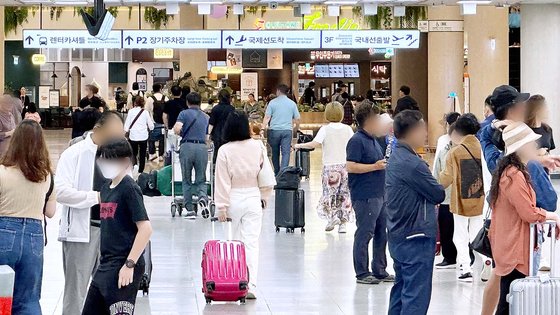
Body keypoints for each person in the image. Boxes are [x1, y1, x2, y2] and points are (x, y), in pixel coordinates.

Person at [478, 85, 560, 315]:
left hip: (511, 231)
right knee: (510, 289)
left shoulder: (506, 151)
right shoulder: (512, 171)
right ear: (511, 109)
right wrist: (549, 214)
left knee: (504, 282)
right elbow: (535, 208)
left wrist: (541, 160)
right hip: (515, 234)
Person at [56, 111, 125, 315]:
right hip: (81, 232)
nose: (118, 140)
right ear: (97, 130)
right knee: (76, 292)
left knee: (108, 291)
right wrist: (95, 198)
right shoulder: (74, 153)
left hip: (110, 233)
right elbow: (60, 191)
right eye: (114, 134)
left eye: (121, 135)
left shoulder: (117, 156)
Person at [82, 139, 152, 315]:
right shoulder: (106, 188)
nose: (105, 164)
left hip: (124, 263)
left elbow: (145, 228)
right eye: (103, 159)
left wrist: (130, 265)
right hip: (105, 264)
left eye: (110, 160)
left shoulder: (129, 188)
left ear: (125, 162)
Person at [386, 110, 446, 315]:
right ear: (411, 132)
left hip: (398, 233)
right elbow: (437, 193)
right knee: (416, 297)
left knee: (401, 290)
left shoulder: (397, 156)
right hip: (415, 236)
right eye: (422, 128)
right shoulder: (412, 163)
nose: (426, 133)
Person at [214, 111, 274, 300]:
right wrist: (265, 196)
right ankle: (251, 284)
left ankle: (233, 281)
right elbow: (265, 174)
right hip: (253, 196)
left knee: (232, 242)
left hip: (232, 198)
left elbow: (222, 181)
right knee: (251, 243)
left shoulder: (224, 150)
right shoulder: (258, 146)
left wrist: (221, 207)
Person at [0, 120, 56, 314]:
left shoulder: (2, 173)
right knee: (29, 299)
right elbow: (50, 211)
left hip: (4, 233)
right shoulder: (47, 176)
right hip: (34, 237)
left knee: (1, 297)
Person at [439, 114, 491, 282]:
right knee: (478, 232)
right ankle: (486, 261)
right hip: (481, 198)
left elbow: (446, 178)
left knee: (460, 235)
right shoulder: (483, 148)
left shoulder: (455, 152)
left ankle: (465, 268)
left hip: (460, 200)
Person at [346, 102, 394, 284]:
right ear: (368, 120)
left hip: (380, 192)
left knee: (382, 231)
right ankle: (362, 272)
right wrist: (374, 166)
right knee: (365, 232)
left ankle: (380, 268)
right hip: (365, 194)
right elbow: (350, 166)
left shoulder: (373, 139)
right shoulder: (356, 140)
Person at [294, 103, 355, 233]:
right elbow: (353, 143)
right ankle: (343, 223)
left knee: (330, 194)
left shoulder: (325, 129)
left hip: (329, 167)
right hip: (345, 166)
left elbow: (315, 143)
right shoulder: (348, 129)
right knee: (344, 194)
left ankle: (332, 218)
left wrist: (299, 145)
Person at [173, 92, 210, 219]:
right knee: (201, 178)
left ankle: (189, 210)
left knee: (186, 179)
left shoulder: (183, 114)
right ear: (200, 102)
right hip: (201, 147)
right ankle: (203, 198)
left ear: (187, 102)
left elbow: (177, 129)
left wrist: (181, 133)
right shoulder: (206, 117)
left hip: (187, 146)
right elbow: (207, 137)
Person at [262, 84, 301, 175]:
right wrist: (296, 128)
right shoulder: (292, 103)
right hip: (287, 131)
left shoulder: (272, 102)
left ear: (278, 91)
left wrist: (263, 128)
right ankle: (283, 173)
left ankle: (276, 172)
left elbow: (267, 117)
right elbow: (298, 119)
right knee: (286, 152)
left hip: (274, 131)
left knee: (275, 153)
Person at [124, 97, 154, 174]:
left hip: (133, 136)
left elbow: (127, 125)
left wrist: (126, 131)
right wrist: (150, 128)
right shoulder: (145, 112)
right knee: (143, 153)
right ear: (143, 103)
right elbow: (151, 125)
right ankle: (141, 170)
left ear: (135, 103)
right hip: (143, 136)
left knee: (133, 152)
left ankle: (134, 165)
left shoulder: (131, 112)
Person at [209, 89, 235, 163]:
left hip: (217, 134)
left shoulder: (215, 109)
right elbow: (234, 123)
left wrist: (208, 134)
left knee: (217, 152)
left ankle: (215, 170)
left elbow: (211, 123)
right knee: (228, 153)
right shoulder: (232, 109)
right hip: (229, 134)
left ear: (219, 98)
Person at [146, 84, 167, 162]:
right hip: (163, 124)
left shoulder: (150, 99)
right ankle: (161, 155)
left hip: (153, 123)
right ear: (160, 89)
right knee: (162, 140)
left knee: (151, 139)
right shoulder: (166, 98)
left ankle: (152, 154)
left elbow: (147, 111)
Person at [163, 86, 187, 152]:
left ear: (171, 93)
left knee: (171, 148)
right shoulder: (185, 103)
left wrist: (167, 126)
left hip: (171, 128)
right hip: (183, 128)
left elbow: (164, 116)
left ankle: (170, 161)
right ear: (181, 93)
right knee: (182, 148)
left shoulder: (168, 103)